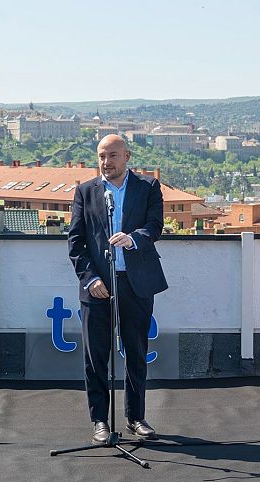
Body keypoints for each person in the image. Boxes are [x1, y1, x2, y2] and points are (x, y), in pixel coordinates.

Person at [68, 134, 169, 444]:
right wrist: (91, 279)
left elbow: (155, 226)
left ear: (127, 156)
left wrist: (133, 238)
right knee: (96, 355)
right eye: (101, 155)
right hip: (98, 285)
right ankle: (100, 420)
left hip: (135, 283)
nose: (106, 161)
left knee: (136, 352)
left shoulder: (148, 187)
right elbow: (76, 243)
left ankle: (135, 417)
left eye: (112, 155)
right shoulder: (85, 191)